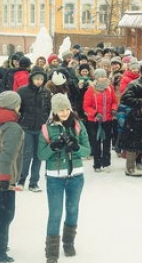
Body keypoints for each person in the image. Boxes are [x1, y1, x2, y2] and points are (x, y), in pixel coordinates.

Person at [38, 93, 91, 263]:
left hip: (75, 176)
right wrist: (53, 146)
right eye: (61, 110)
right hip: (55, 178)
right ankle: (51, 251)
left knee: (72, 209)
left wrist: (75, 147)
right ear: (54, 111)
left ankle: (68, 242)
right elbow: (41, 155)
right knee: (55, 213)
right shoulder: (46, 128)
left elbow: (87, 151)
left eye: (67, 108)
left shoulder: (77, 125)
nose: (65, 112)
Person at [0, 91, 24, 263]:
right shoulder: (12, 128)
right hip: (3, 176)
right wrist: (4, 179)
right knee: (5, 214)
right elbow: (6, 156)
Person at [17, 67, 52, 191]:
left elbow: (48, 109)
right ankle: (21, 180)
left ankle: (33, 182)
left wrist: (44, 121)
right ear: (31, 78)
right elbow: (18, 109)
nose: (39, 81)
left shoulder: (46, 92)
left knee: (38, 155)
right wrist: (21, 121)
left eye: (41, 79)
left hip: (40, 128)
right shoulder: (22, 91)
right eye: (37, 78)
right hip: (26, 127)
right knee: (27, 154)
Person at [83, 68, 117, 172]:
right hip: (94, 121)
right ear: (96, 78)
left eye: (104, 76)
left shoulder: (110, 88)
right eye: (101, 76)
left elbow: (114, 102)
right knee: (96, 142)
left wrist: (113, 109)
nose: (103, 78)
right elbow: (86, 106)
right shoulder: (91, 89)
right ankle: (97, 164)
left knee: (107, 142)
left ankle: (106, 163)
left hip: (107, 119)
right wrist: (95, 113)